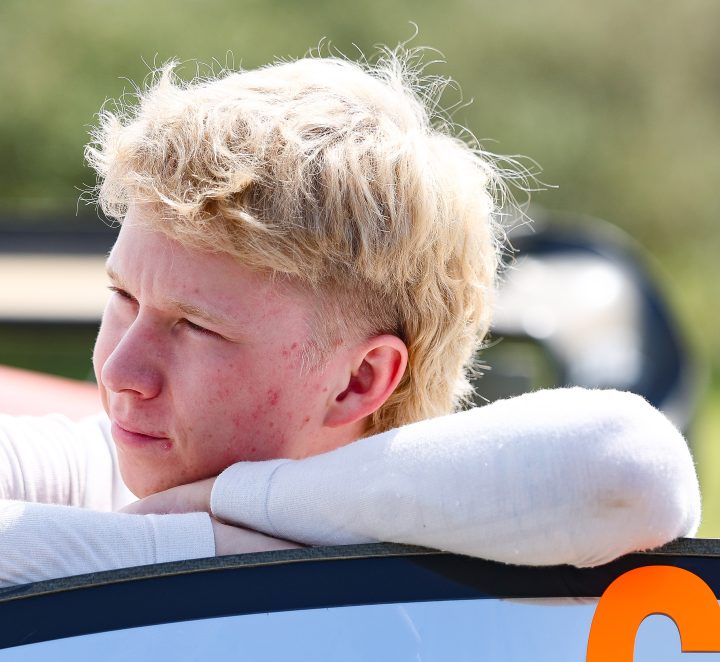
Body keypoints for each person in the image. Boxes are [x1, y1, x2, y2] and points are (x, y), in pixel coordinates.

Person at [0, 51, 701, 588]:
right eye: (122, 297)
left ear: (361, 380)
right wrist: (222, 541)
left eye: (195, 327)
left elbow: (631, 471)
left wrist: (224, 510)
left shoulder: (486, 541)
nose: (120, 370)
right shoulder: (94, 470)